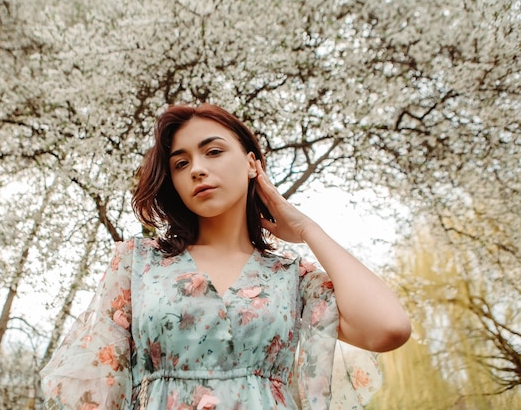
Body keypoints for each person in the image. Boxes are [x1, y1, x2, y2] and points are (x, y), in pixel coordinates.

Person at [40, 103, 411, 410]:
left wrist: (306, 229)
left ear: (252, 164)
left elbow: (389, 327)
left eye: (213, 151)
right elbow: (95, 391)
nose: (197, 168)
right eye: (180, 164)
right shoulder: (137, 262)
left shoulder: (290, 276)